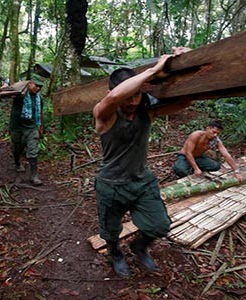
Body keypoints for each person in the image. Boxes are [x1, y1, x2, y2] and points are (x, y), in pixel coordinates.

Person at [93, 46, 193, 277]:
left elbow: (186, 100)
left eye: (137, 95)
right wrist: (154, 69)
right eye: (129, 96)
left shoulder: (146, 113)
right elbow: (115, 97)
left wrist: (183, 64)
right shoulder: (104, 114)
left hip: (141, 181)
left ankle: (139, 246)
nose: (133, 101)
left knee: (159, 225)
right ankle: (115, 252)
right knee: (110, 230)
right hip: (111, 185)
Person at [0, 74, 45, 186]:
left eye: (40, 87)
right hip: (17, 127)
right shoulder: (19, 94)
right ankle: (17, 163)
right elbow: (4, 93)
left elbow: (40, 112)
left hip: (32, 128)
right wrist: (4, 86)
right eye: (36, 86)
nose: (38, 88)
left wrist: (41, 126)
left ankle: (34, 175)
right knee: (17, 148)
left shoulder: (39, 98)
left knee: (33, 150)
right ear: (29, 84)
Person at [173, 120, 244, 181]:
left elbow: (226, 155)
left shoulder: (216, 140)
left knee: (215, 166)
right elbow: (188, 152)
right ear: (208, 128)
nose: (215, 135)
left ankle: (195, 168)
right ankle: (193, 168)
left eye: (217, 134)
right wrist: (196, 168)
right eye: (214, 132)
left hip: (198, 157)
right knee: (180, 170)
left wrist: (236, 171)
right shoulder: (196, 135)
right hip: (185, 156)